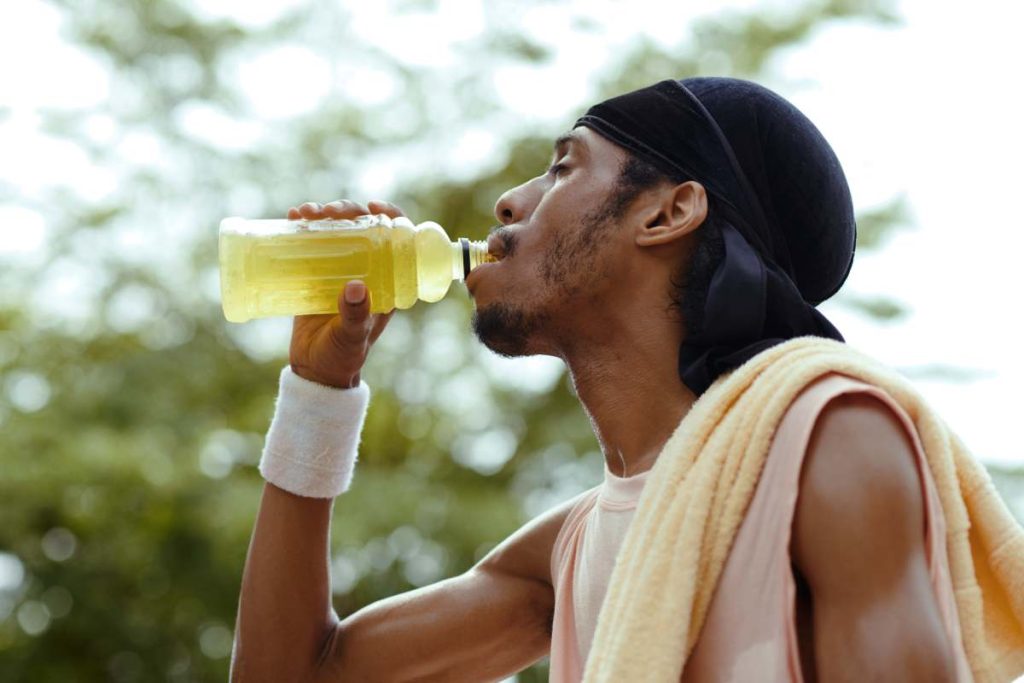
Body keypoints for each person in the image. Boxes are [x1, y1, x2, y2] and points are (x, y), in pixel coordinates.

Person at [230, 78, 968, 682]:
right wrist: (318, 390)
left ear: (668, 211)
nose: (509, 203)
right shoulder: (571, 550)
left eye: (563, 166)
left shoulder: (826, 442)